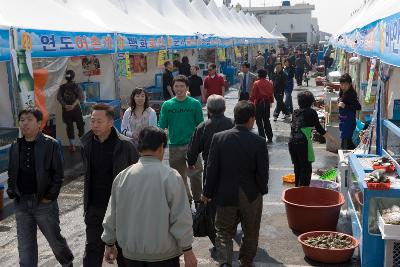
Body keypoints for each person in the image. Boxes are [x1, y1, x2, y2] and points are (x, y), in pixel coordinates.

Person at [102, 127, 197, 267]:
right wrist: (188, 249)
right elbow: (181, 217)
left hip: (130, 255)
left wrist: (109, 243)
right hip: (164, 256)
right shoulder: (171, 176)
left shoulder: (123, 176)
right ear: (161, 148)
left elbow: (112, 214)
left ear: (139, 148)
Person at [202, 101, 269, 267]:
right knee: (251, 231)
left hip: (225, 193)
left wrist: (207, 193)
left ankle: (225, 262)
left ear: (235, 117)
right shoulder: (259, 141)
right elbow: (263, 173)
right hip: (251, 194)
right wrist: (261, 190)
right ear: (252, 119)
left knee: (224, 231)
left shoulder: (219, 138)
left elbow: (211, 169)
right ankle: (246, 262)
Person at [7, 108, 74, 267]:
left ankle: (67, 263)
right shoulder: (15, 146)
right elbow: (12, 171)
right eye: (22, 120)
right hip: (21, 203)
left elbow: (58, 174)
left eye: (29, 119)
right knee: (25, 246)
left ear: (39, 123)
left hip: (44, 203)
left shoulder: (50, 144)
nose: (25, 123)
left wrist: (49, 197)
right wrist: (12, 190)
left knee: (55, 241)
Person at [81, 103, 139, 267]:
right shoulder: (86, 143)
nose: (95, 125)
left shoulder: (126, 145)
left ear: (111, 122)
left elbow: (136, 177)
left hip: (120, 208)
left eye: (99, 121)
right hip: (95, 207)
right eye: (92, 121)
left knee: (124, 253)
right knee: (92, 249)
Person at [186, 95, 234, 244]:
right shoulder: (232, 124)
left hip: (210, 168)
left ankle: (217, 239)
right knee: (230, 201)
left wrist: (191, 162)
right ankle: (229, 230)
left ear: (209, 108)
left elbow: (193, 149)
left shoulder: (203, 126)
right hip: (231, 168)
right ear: (224, 108)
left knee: (211, 201)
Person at [159, 75, 204, 206]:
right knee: (179, 177)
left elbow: (200, 125)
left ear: (187, 88)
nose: (179, 89)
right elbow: (161, 126)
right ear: (173, 88)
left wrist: (201, 144)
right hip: (174, 146)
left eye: (182, 86)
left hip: (192, 146)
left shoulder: (194, 104)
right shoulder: (167, 105)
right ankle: (186, 199)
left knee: (195, 174)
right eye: (176, 86)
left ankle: (197, 199)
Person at [289, 91, 337, 187]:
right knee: (306, 169)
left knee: (298, 168)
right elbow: (319, 129)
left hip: (291, 142)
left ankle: (297, 192)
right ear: (310, 102)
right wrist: (331, 138)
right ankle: (303, 193)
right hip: (302, 142)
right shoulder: (311, 112)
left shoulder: (295, 112)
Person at [57, 69, 85, 152]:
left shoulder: (62, 87)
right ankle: (82, 144)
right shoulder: (77, 86)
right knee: (80, 126)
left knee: (69, 127)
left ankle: (72, 145)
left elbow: (59, 97)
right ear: (73, 76)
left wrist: (65, 105)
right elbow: (81, 97)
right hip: (76, 109)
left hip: (66, 110)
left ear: (66, 77)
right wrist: (73, 105)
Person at [338, 73, 361, 150]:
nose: (343, 86)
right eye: (341, 84)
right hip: (343, 120)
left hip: (349, 121)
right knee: (345, 141)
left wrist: (345, 106)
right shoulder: (342, 92)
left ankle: (346, 158)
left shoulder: (352, 94)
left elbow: (358, 107)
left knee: (346, 143)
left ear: (350, 84)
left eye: (345, 84)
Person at [250, 69, 274, 142]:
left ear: (259, 75)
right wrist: (270, 102)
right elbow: (271, 94)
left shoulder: (256, 83)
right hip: (266, 102)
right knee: (266, 120)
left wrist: (250, 101)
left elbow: (253, 95)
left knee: (259, 121)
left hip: (259, 103)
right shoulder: (269, 83)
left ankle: (262, 136)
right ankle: (270, 136)